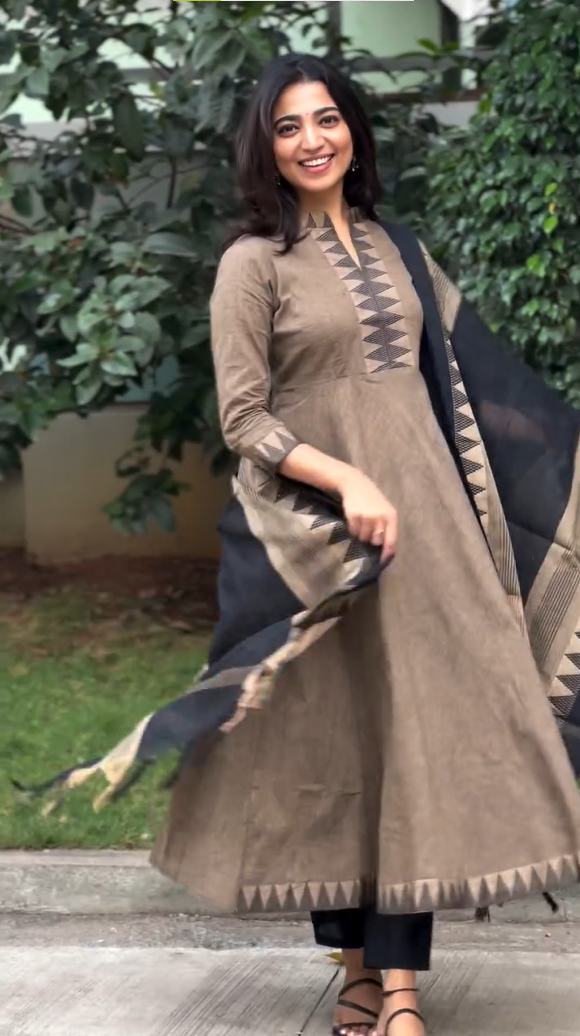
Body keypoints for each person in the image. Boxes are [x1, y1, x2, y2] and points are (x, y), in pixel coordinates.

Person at [39, 53, 580, 1036]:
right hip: (321, 544)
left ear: (353, 133)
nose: (311, 140)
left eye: (325, 119)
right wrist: (348, 480)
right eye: (288, 126)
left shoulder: (399, 249)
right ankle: (357, 974)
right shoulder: (253, 264)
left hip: (431, 540)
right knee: (335, 743)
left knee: (419, 744)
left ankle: (400, 987)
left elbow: (463, 386)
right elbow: (244, 419)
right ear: (267, 148)